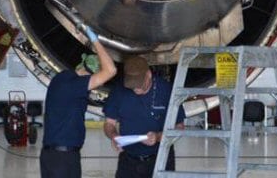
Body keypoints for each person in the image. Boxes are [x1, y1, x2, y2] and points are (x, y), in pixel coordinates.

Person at [40, 25, 116, 178]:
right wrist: (94, 39)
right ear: (90, 74)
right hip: (63, 159)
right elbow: (111, 70)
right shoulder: (74, 86)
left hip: (52, 157)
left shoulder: (61, 79)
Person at [103, 56, 185, 178]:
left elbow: (179, 127)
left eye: (140, 84)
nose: (136, 88)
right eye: (132, 85)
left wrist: (158, 137)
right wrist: (114, 136)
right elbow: (109, 124)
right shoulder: (119, 91)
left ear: (149, 74)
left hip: (161, 159)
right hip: (128, 160)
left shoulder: (167, 90)